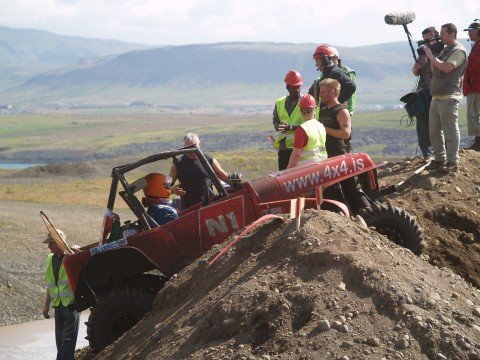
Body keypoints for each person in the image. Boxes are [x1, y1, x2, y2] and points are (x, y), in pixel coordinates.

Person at [318, 78, 370, 213]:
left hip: (339, 154)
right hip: (325, 155)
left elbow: (346, 134)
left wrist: (324, 129)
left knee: (349, 187)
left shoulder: (341, 110)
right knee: (331, 189)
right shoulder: (323, 110)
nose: (321, 94)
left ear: (332, 91)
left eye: (323, 92)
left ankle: (365, 213)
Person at [423, 23, 467, 173]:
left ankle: (453, 161)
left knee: (450, 130)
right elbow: (434, 68)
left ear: (452, 34)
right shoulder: (444, 50)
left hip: (449, 95)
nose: (440, 37)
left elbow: (448, 67)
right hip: (437, 94)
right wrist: (432, 57)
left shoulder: (458, 51)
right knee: (434, 130)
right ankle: (439, 159)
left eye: (443, 34)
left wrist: (431, 57)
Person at [42, 229, 79, 360]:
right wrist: (46, 306)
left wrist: (77, 251)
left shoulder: (71, 256)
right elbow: (51, 285)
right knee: (60, 341)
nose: (48, 246)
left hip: (71, 305)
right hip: (58, 306)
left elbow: (85, 261)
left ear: (59, 242)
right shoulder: (50, 259)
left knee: (68, 341)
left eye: (51, 243)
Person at [169, 133, 230, 209]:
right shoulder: (178, 164)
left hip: (210, 206)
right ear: (184, 147)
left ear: (199, 144)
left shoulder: (208, 159)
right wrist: (173, 190)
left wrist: (238, 184)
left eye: (194, 146)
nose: (192, 151)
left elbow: (223, 175)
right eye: (188, 147)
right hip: (189, 210)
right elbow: (167, 187)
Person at [412, 27, 440, 160]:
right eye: (424, 41)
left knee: (437, 124)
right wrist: (416, 69)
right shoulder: (422, 53)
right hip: (422, 91)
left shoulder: (442, 52)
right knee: (422, 125)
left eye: (428, 40)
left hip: (436, 91)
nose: (426, 44)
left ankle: (439, 152)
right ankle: (426, 154)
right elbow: (415, 71)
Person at [308, 44, 356, 119]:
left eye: (317, 60)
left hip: (335, 116)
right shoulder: (326, 73)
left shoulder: (335, 72)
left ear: (324, 59)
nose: (316, 64)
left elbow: (351, 86)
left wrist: (336, 103)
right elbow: (312, 93)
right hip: (327, 115)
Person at [272, 70, 304, 170]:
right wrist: (279, 127)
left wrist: (290, 127)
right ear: (287, 87)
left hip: (301, 148)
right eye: (294, 87)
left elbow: (310, 125)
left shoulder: (306, 102)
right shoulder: (279, 102)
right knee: (283, 177)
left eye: (298, 87)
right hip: (284, 148)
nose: (297, 90)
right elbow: (276, 121)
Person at [287, 94, 327, 168]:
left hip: (307, 170)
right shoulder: (321, 126)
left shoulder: (301, 130)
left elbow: (296, 154)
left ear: (300, 110)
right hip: (323, 165)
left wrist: (287, 172)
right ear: (315, 108)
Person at [463, 21, 480, 151]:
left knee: (475, 114)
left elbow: (476, 65)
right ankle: (477, 141)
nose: (469, 32)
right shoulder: (476, 45)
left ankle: (478, 143)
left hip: (477, 85)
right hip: (474, 85)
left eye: (471, 30)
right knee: (473, 114)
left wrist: (467, 65)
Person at [329, 46, 357, 116]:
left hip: (343, 109)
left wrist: (349, 111)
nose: (331, 60)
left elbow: (351, 92)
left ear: (337, 59)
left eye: (333, 58)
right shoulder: (326, 72)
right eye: (329, 58)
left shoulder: (347, 72)